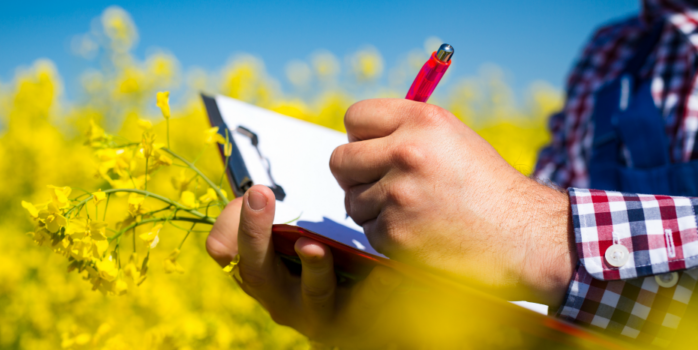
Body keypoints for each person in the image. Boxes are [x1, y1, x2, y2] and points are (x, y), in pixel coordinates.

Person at [207, 0, 698, 347]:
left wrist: (538, 236)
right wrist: (394, 320)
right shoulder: (613, 52)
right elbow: (536, 314)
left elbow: (525, 235)